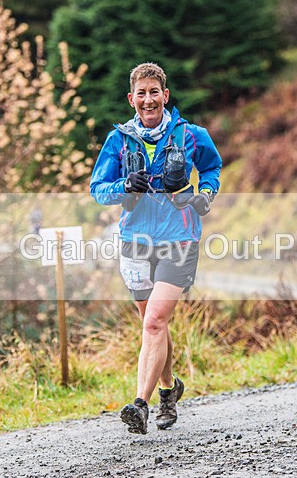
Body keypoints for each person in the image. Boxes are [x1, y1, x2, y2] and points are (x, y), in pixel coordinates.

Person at [90, 62, 222, 434]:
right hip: (135, 243)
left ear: (165, 96)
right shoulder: (118, 140)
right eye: (141, 94)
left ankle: (140, 405)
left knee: (154, 322)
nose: (148, 100)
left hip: (179, 239)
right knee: (154, 326)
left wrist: (205, 195)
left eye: (154, 92)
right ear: (132, 99)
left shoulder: (192, 135)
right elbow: (97, 188)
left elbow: (212, 168)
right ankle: (169, 390)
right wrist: (123, 188)